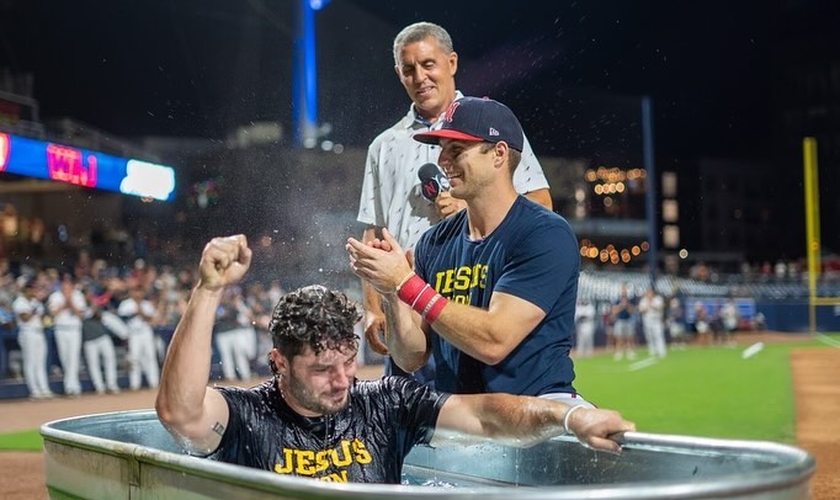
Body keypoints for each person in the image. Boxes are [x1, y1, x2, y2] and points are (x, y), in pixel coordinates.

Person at [155, 235, 635, 484]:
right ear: (278, 361)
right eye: (321, 370)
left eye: (348, 361)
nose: (342, 380)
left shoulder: (384, 402)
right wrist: (208, 289)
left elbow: (488, 416)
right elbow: (180, 412)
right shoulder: (249, 416)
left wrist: (568, 415)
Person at [347, 96, 585, 403]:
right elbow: (411, 357)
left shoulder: (544, 233)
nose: (443, 160)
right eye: (442, 148)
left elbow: (495, 340)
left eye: (457, 150)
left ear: (498, 154)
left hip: (536, 410)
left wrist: (407, 284)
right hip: (463, 416)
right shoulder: (435, 241)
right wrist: (392, 293)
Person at [356, 21, 553, 385]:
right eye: (408, 69)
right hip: (407, 306)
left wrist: (476, 211)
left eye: (428, 64)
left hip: (473, 292)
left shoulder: (491, 125)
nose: (420, 77)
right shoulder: (383, 145)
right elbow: (375, 231)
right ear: (398, 74)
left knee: (481, 414)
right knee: (409, 420)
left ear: (452, 63)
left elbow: (540, 203)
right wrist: (371, 307)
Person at [12, 276, 53, 399]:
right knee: (30, 363)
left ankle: (44, 389)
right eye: (31, 288)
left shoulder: (35, 301)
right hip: (27, 333)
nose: (33, 291)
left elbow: (42, 319)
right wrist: (35, 309)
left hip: (38, 332)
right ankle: (34, 390)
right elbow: (25, 318)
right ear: (25, 289)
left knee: (40, 363)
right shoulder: (19, 301)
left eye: (34, 288)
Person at [47, 274, 87, 396]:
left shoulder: (78, 295)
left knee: (73, 357)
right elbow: (52, 313)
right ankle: (70, 384)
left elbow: (81, 314)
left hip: (74, 329)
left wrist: (71, 302)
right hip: (61, 329)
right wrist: (65, 303)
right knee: (65, 358)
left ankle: (72, 386)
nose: (66, 286)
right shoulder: (55, 296)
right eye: (64, 283)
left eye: (69, 283)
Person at [117, 285, 160, 390]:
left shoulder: (146, 304)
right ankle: (135, 384)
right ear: (131, 292)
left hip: (146, 332)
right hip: (133, 333)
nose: (137, 294)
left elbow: (153, 319)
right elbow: (121, 318)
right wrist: (134, 313)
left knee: (150, 357)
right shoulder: (126, 304)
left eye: (139, 292)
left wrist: (141, 312)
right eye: (135, 291)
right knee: (134, 359)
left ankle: (154, 383)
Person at [638, 287, 666, 358]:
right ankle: (652, 351)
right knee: (649, 336)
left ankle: (661, 351)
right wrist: (647, 305)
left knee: (658, 335)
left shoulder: (658, 299)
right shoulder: (643, 300)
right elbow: (641, 310)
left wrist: (652, 304)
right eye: (647, 293)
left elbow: (660, 308)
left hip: (656, 320)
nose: (649, 294)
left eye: (650, 292)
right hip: (647, 321)